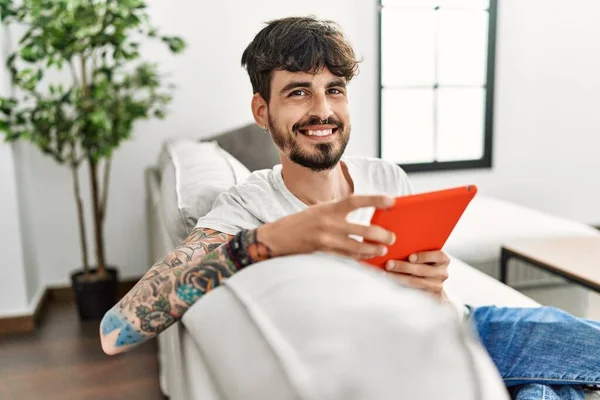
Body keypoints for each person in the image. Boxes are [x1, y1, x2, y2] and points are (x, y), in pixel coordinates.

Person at [100, 16, 600, 399]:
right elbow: (116, 330)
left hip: (464, 324)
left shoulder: (386, 177)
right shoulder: (246, 207)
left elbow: (427, 291)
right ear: (261, 111)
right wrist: (266, 243)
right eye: (298, 92)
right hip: (402, 362)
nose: (322, 110)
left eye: (334, 90)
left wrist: (433, 286)